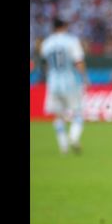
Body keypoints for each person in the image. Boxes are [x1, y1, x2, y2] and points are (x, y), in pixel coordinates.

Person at [40, 17, 89, 155]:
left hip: (53, 82)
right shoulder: (71, 41)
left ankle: (63, 147)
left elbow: (44, 63)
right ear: (65, 26)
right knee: (78, 112)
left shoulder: (47, 43)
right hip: (70, 81)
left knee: (58, 115)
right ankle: (73, 137)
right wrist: (85, 78)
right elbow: (78, 61)